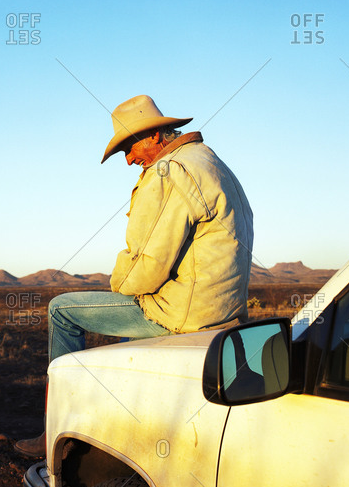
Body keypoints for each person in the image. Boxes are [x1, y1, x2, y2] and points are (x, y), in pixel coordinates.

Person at [14, 94, 253, 457]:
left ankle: (57, 429)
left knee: (61, 310)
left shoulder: (170, 171)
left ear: (156, 135)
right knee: (128, 336)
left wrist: (119, 280)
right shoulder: (211, 163)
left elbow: (147, 267)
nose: (128, 159)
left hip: (184, 312)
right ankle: (123, 431)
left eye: (129, 146)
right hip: (219, 306)